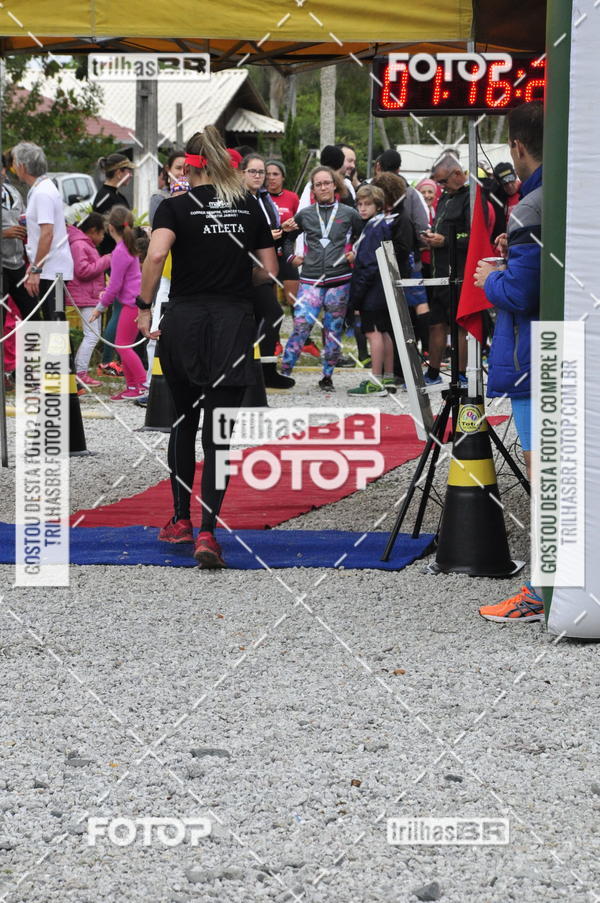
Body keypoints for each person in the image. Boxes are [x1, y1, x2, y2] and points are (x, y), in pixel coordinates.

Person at [136, 125, 277, 568]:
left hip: (185, 321)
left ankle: (179, 518)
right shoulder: (249, 205)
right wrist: (234, 275)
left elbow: (155, 256)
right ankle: (208, 532)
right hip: (232, 322)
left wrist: (143, 307)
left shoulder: (174, 206)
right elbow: (268, 270)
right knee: (219, 435)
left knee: (183, 422)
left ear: (189, 167)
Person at [473, 100, 544, 623]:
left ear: (517, 147)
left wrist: (490, 279)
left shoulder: (530, 206)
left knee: (543, 475)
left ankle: (543, 591)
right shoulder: (566, 194)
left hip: (533, 361)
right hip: (564, 353)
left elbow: (520, 292)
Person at [280, 165, 363, 391]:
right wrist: (291, 258)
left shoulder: (349, 213)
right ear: (313, 189)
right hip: (310, 281)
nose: (323, 187)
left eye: (327, 183)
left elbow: (364, 236)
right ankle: (284, 372)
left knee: (333, 331)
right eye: (319, 184)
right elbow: (287, 238)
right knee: (301, 326)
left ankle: (327, 377)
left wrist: (355, 252)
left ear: (335, 185)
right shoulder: (305, 214)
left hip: (340, 280)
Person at [347, 185, 408, 396]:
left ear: (378, 206)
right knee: (384, 332)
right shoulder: (381, 224)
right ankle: (388, 377)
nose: (362, 208)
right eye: (359, 204)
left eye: (368, 204)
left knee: (373, 333)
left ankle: (376, 380)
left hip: (372, 289)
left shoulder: (374, 228)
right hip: (383, 288)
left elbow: (368, 264)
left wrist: (357, 295)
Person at [240, 153, 293, 390]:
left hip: (266, 266)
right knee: (271, 313)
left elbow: (269, 230)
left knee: (267, 315)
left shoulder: (263, 198)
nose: (258, 176)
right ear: (242, 173)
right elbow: (237, 234)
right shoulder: (237, 199)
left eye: (261, 172)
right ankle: (261, 370)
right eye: (253, 171)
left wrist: (282, 231)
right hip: (246, 268)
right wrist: (264, 237)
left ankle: (264, 370)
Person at [421, 153, 470, 386]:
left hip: (459, 273)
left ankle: (461, 374)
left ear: (457, 174)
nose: (441, 187)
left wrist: (446, 240)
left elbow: (472, 235)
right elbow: (442, 229)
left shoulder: (470, 198)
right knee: (436, 324)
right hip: (438, 273)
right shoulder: (444, 198)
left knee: (459, 325)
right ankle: (433, 373)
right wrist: (432, 237)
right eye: (438, 182)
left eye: (443, 182)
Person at [12, 141, 74, 319]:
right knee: (52, 320)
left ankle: (59, 342)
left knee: (55, 320)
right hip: (51, 268)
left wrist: (35, 269)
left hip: (54, 270)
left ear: (22, 166)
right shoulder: (42, 188)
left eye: (15, 162)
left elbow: (47, 234)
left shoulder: (42, 192)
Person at [89, 206, 145, 400]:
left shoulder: (120, 251)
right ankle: (132, 386)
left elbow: (114, 285)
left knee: (123, 346)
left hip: (131, 303)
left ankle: (142, 384)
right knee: (123, 345)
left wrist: (100, 307)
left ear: (110, 227)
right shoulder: (126, 248)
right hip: (132, 301)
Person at [66, 213, 111, 388]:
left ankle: (79, 371)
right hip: (85, 296)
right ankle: (80, 373)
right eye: (102, 233)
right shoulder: (80, 245)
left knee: (92, 335)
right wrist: (106, 259)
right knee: (92, 335)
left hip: (88, 295)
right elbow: (83, 271)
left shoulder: (84, 244)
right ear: (93, 230)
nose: (103, 237)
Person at [1, 150, 38, 321]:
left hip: (18, 264)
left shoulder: (13, 191)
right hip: (1, 266)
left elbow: (24, 216)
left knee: (33, 312)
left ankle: (40, 340)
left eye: (3, 168)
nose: (2, 173)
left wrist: (28, 225)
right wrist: (3, 233)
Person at [266, 159, 300, 307]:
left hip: (286, 252)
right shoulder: (260, 197)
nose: (271, 178)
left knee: (293, 301)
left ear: (283, 177)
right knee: (270, 303)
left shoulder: (292, 197)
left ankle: (298, 322)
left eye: (275, 174)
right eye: (268, 174)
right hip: (267, 253)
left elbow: (300, 224)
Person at [149, 151, 187, 225]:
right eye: (178, 168)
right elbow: (156, 225)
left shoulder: (195, 195)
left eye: (186, 169)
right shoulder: (159, 197)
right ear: (168, 169)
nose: (182, 173)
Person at [488, 161, 521, 240]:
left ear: (515, 175)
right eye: (505, 184)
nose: (510, 186)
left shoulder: (525, 190)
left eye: (511, 181)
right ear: (499, 184)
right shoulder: (498, 199)